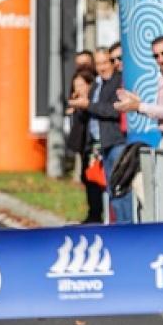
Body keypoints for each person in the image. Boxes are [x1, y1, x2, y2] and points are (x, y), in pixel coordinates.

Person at [69, 48, 132, 223]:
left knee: (121, 188)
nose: (102, 67)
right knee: (109, 188)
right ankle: (114, 224)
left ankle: (126, 226)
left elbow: (113, 109)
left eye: (105, 63)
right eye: (98, 64)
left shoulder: (118, 82)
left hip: (116, 141)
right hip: (100, 144)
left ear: (112, 63)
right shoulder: (97, 84)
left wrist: (89, 104)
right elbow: (90, 110)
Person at [66, 69, 104, 224]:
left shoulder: (93, 102)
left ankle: (98, 213)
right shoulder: (78, 105)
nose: (78, 89)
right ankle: (93, 212)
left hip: (95, 145)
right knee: (87, 178)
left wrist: (84, 105)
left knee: (97, 179)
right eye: (76, 86)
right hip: (84, 147)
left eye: (81, 85)